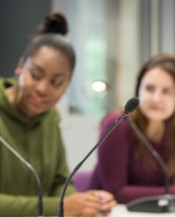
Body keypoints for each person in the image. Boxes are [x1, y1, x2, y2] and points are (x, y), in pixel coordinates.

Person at [0, 12, 116, 216]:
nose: (43, 88)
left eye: (56, 82)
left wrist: (83, 202)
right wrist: (61, 206)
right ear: (20, 67)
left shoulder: (50, 116)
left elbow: (60, 180)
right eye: (35, 75)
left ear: (67, 86)